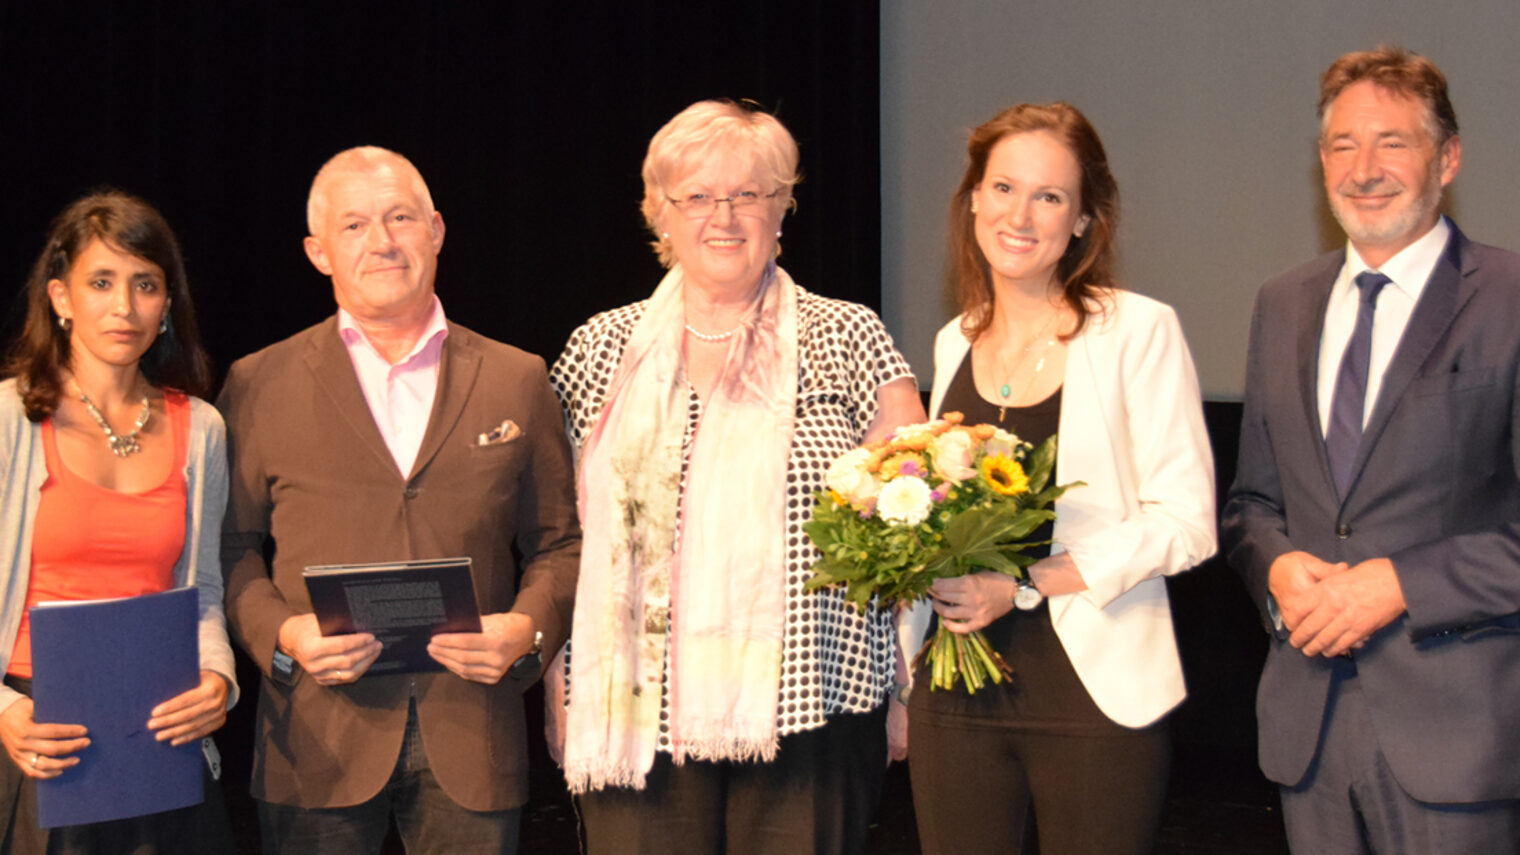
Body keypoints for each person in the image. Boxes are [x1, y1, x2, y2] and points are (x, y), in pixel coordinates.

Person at [549, 99, 924, 855]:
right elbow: (560, 538)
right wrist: (560, 686)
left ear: (782, 209)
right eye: (697, 196)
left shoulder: (848, 334)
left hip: (814, 707)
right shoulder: (599, 348)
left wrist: (907, 685)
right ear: (661, 216)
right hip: (634, 712)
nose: (724, 215)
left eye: (748, 194)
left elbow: (915, 522)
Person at [219, 146, 580, 854]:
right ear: (317, 252)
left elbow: (559, 545)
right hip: (315, 743)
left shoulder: (517, 377)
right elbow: (229, 550)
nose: (382, 240)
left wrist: (527, 633)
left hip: (472, 733)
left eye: (400, 217)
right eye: (353, 226)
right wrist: (286, 637)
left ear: (437, 231)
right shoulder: (259, 381)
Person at [1222, 45, 1520, 852]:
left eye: (1393, 141)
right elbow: (1252, 504)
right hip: (1307, 727)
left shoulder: (1509, 298)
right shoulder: (1281, 302)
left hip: (1460, 737)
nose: (1365, 168)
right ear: (1321, 162)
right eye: (1343, 145)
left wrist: (1402, 582)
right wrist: (1278, 569)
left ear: (1448, 157)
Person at [901, 102, 1216, 855]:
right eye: (1003, 187)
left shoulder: (1137, 330)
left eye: (1049, 197)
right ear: (974, 197)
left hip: (1092, 695)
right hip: (955, 694)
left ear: (1081, 219)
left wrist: (1025, 583)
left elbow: (1187, 519)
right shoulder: (954, 340)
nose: (1021, 213)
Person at [0, 191, 237, 852]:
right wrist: (4, 711)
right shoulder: (7, 421)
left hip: (161, 736)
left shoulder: (202, 428)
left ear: (168, 303)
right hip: (35, 739)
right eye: (101, 282)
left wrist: (217, 681)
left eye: (145, 285)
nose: (124, 307)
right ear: (60, 297)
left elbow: (206, 595)